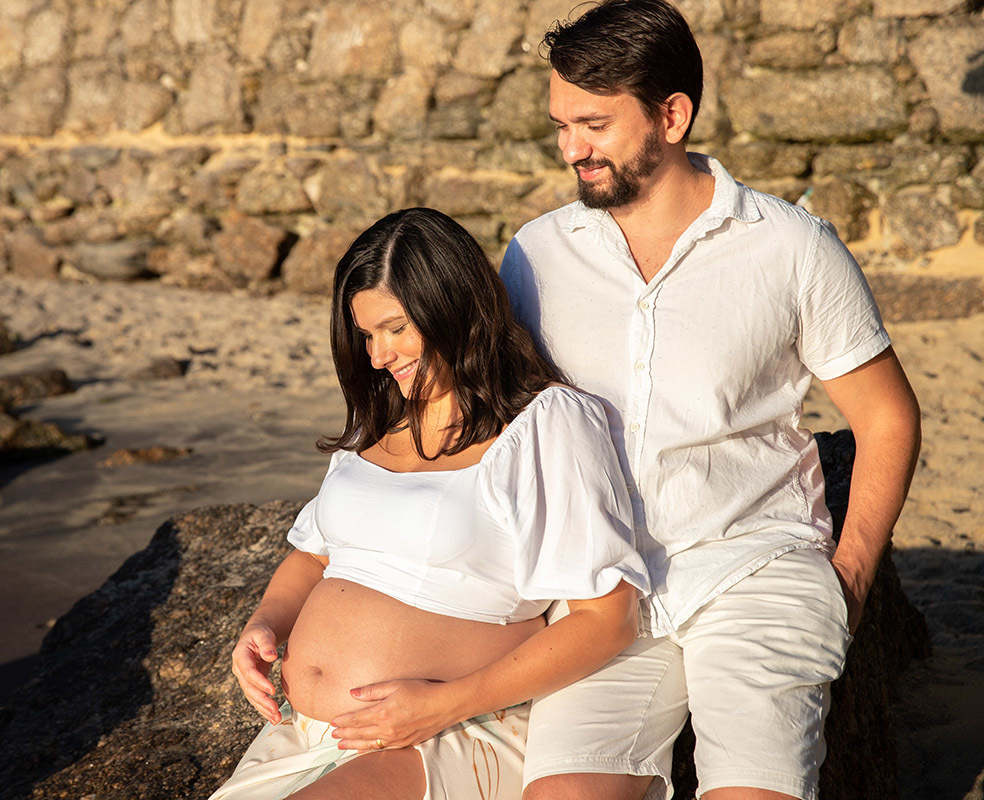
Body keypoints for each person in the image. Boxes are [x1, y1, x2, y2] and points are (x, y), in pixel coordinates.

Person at [495, 1, 923, 799]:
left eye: (593, 124)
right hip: (603, 594)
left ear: (673, 115)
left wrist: (854, 577)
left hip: (756, 569)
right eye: (559, 125)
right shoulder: (537, 254)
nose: (570, 148)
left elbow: (887, 415)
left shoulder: (792, 247)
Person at [209, 207, 651, 800]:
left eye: (394, 328)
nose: (377, 356)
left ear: (453, 308)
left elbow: (607, 620)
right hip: (301, 734)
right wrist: (265, 624)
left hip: (446, 730)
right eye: (366, 334)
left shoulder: (545, 424)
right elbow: (314, 557)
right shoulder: (381, 427)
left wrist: (441, 705)